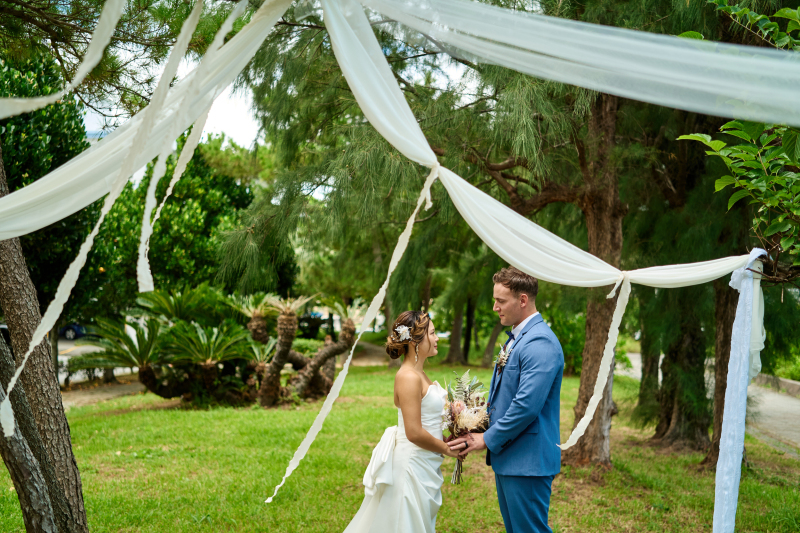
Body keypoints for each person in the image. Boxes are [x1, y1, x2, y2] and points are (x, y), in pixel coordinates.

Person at [449, 266, 564, 533]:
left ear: (522, 300)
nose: (494, 307)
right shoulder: (518, 337)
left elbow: (526, 406)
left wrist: (486, 439)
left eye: (500, 301)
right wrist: (474, 418)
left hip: (528, 460)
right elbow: (508, 394)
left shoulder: (540, 342)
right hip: (512, 456)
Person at [343, 311, 460, 533]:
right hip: (411, 466)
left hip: (426, 461)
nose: (436, 339)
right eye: (433, 333)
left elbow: (426, 421)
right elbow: (414, 432)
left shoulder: (420, 373)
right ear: (416, 341)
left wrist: (450, 436)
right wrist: (447, 449)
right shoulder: (408, 377)